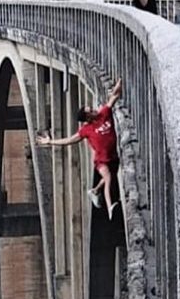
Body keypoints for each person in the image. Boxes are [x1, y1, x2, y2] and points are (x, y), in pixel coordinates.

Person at [36, 78, 123, 220]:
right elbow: (69, 140)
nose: (94, 110)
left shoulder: (104, 113)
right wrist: (50, 141)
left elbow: (114, 97)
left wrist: (120, 82)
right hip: (101, 161)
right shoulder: (86, 130)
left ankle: (94, 191)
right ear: (87, 117)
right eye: (91, 111)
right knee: (108, 178)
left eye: (92, 109)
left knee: (111, 176)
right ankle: (110, 208)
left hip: (113, 156)